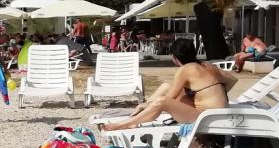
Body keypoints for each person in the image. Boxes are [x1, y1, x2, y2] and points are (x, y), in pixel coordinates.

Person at [99, 38, 231, 132]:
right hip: (218, 114)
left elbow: (169, 99)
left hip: (205, 118)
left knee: (162, 101)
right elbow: (232, 80)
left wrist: (146, 105)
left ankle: (123, 124)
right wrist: (213, 95)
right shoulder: (208, 65)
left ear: (174, 58)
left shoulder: (185, 70)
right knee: (167, 86)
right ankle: (138, 117)